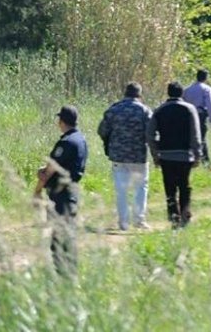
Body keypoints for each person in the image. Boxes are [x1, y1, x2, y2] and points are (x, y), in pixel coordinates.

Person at [34, 106, 88, 275]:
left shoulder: (65, 142)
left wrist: (37, 191)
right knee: (68, 236)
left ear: (62, 121)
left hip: (60, 196)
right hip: (72, 193)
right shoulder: (81, 140)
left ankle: (63, 276)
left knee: (58, 239)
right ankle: (71, 273)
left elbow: (48, 171)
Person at [97, 82, 152, 231]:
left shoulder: (114, 110)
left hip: (118, 156)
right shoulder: (145, 111)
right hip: (138, 156)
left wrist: (110, 142)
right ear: (140, 95)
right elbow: (151, 133)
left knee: (121, 189)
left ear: (125, 93)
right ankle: (139, 220)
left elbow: (102, 130)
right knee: (141, 187)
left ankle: (123, 222)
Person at [147, 82, 201, 229]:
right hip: (185, 155)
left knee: (169, 187)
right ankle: (185, 214)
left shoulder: (159, 111)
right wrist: (198, 155)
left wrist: (155, 154)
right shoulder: (190, 109)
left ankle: (173, 216)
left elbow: (149, 135)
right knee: (184, 185)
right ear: (181, 93)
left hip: (166, 156)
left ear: (168, 93)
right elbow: (195, 135)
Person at [183, 69, 211, 167]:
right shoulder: (206, 89)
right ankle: (205, 162)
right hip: (200, 115)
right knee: (201, 139)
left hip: (189, 116)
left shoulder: (188, 89)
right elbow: (210, 105)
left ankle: (190, 160)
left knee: (190, 138)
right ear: (206, 78)